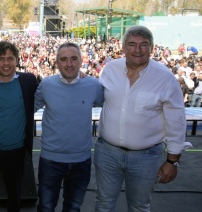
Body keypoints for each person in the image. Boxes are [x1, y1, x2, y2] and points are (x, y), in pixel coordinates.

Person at [95, 25, 192, 211]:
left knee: (139, 206)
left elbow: (176, 122)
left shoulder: (165, 78)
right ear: (123, 47)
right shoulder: (110, 70)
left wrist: (172, 161)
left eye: (143, 45)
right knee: (103, 203)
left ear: (152, 48)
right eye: (132, 44)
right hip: (107, 153)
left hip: (146, 157)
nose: (137, 50)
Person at [34, 42, 104, 211]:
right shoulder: (46, 85)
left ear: (81, 61)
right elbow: (28, 109)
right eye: (63, 59)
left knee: (73, 208)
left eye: (74, 59)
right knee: (45, 207)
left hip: (81, 161)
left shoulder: (94, 85)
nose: (69, 64)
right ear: (56, 62)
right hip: (51, 161)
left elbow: (112, 107)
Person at [0, 41, 38, 212]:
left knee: (14, 194)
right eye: (1, 58)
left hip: (17, 151)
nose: (6, 63)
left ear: (17, 60)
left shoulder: (28, 81)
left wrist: (80, 75)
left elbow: (50, 90)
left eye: (10, 58)